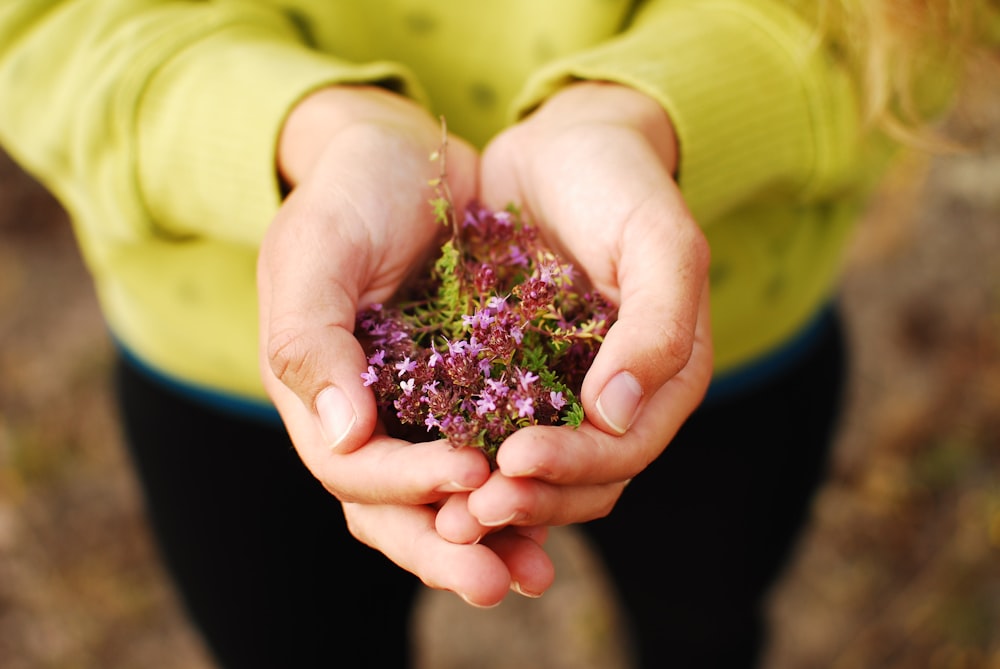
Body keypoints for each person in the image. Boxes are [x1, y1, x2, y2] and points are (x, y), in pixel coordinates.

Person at [0, 1, 990, 667]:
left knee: (705, 623)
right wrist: (307, 132)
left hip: (706, 319)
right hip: (225, 346)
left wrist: (642, 115)